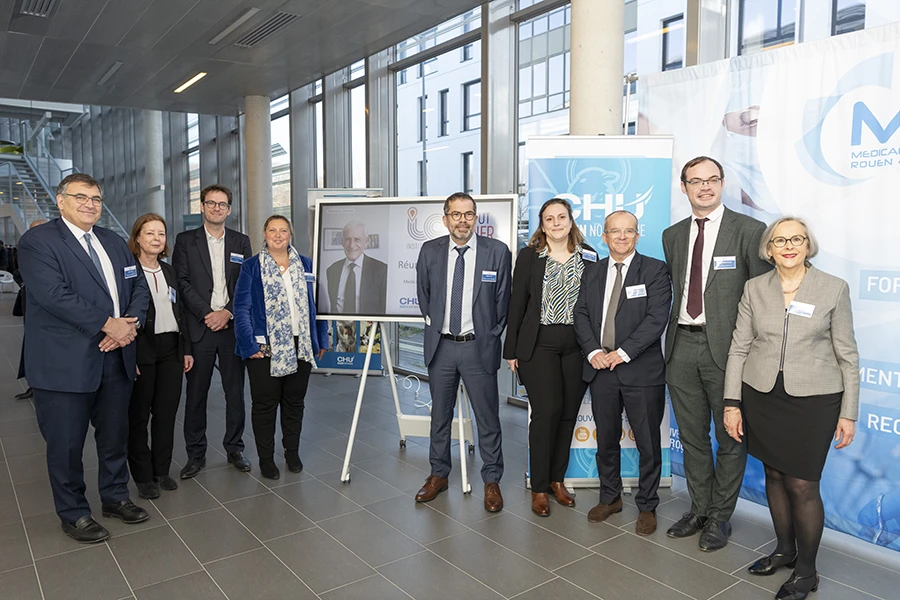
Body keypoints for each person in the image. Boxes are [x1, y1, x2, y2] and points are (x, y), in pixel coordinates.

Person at [723, 217, 858, 600]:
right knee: (774, 476)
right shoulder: (755, 288)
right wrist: (732, 403)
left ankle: (806, 572)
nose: (788, 245)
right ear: (768, 249)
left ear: (807, 245)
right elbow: (739, 348)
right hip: (762, 395)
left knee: (802, 483)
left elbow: (848, 355)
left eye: (796, 238)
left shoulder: (833, 288)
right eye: (780, 240)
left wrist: (849, 412)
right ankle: (784, 550)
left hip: (814, 400)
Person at [17, 173, 150, 543]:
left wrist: (130, 324)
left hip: (116, 358)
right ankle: (73, 512)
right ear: (61, 201)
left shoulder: (113, 241)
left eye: (96, 198)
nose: (90, 204)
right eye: (81, 197)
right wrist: (110, 325)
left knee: (114, 437)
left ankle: (115, 497)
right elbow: (53, 295)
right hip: (64, 363)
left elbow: (137, 283)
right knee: (66, 444)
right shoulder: (38, 242)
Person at [662, 155, 771, 551]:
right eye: (696, 181)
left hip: (728, 351)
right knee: (692, 437)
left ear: (722, 184)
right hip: (680, 347)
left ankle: (720, 518)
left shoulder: (749, 230)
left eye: (712, 180)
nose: (704, 187)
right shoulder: (672, 236)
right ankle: (700, 508)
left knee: (730, 437)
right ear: (684, 187)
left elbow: (762, 298)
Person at [574, 210, 672, 535]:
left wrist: (623, 352)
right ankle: (610, 497)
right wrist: (593, 352)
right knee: (606, 440)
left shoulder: (655, 270)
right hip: (601, 370)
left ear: (637, 235)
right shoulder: (592, 272)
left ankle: (647, 504)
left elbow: (657, 318)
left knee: (647, 442)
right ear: (604, 236)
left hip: (641, 370)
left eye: (628, 231)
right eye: (614, 232)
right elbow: (582, 314)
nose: (621, 237)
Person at [415, 192, 511, 512]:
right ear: (445, 219)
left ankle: (492, 479)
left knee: (487, 419)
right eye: (456, 215)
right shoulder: (430, 251)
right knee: (439, 417)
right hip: (441, 347)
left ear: (476, 218)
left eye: (469, 214)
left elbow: (503, 302)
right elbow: (424, 294)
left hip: (478, 347)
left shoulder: (497, 252)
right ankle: (438, 474)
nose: (462, 221)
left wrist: (491, 334)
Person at [504, 198, 590, 517]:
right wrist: (511, 350)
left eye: (561, 217)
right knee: (546, 412)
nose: (556, 223)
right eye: (549, 218)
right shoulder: (530, 257)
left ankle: (557, 480)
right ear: (542, 224)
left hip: (577, 346)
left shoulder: (590, 256)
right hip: (538, 343)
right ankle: (538, 486)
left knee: (568, 414)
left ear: (571, 221)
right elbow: (517, 306)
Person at [234, 215, 328, 480]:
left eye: (283, 230)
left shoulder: (307, 265)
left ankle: (292, 452)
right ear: (264, 234)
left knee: (294, 403)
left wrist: (321, 338)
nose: (278, 235)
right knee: (265, 405)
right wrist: (248, 344)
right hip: (264, 348)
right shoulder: (252, 266)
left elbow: (318, 305)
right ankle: (266, 459)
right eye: (272, 230)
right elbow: (241, 308)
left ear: (290, 234)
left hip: (301, 344)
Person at [172, 184, 253, 478]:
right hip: (200, 327)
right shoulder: (185, 241)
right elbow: (181, 283)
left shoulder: (241, 242)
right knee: (196, 394)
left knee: (235, 393)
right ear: (203, 207)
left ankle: (234, 448)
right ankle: (195, 454)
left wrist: (227, 312)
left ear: (229, 210)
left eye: (222, 204)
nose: (216, 208)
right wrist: (208, 314)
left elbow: (247, 283)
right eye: (211, 203)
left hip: (231, 328)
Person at [127, 214, 194, 500]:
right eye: (150, 233)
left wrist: (186, 349)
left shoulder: (169, 272)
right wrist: (130, 358)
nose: (156, 238)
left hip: (171, 350)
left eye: (161, 234)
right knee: (139, 417)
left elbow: (182, 314)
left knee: (166, 415)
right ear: (138, 238)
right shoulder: (128, 272)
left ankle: (161, 470)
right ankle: (143, 477)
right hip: (142, 349)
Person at [319, 221, 388, 315]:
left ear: (366, 241)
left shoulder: (381, 269)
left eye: (357, 239)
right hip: (339, 328)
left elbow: (383, 308)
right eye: (347, 239)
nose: (351, 245)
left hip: (370, 328)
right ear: (342, 242)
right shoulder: (332, 270)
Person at [14, 219, 48, 401]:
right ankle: (33, 384)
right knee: (32, 344)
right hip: (32, 307)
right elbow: (18, 271)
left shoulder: (59, 252)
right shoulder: (27, 250)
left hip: (53, 311)